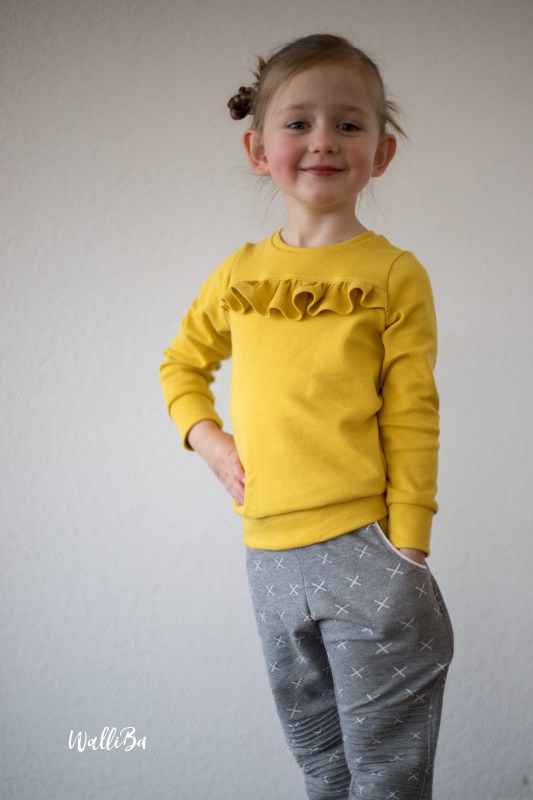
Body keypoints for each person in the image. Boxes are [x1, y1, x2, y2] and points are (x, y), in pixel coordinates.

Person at [160, 33, 453, 800]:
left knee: (384, 776)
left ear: (380, 153)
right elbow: (180, 365)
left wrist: (408, 547)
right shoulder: (239, 274)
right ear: (259, 149)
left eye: (347, 124)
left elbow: (412, 411)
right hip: (266, 558)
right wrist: (207, 439)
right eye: (299, 123)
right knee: (320, 764)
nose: (323, 140)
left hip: (367, 549)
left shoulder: (392, 274)